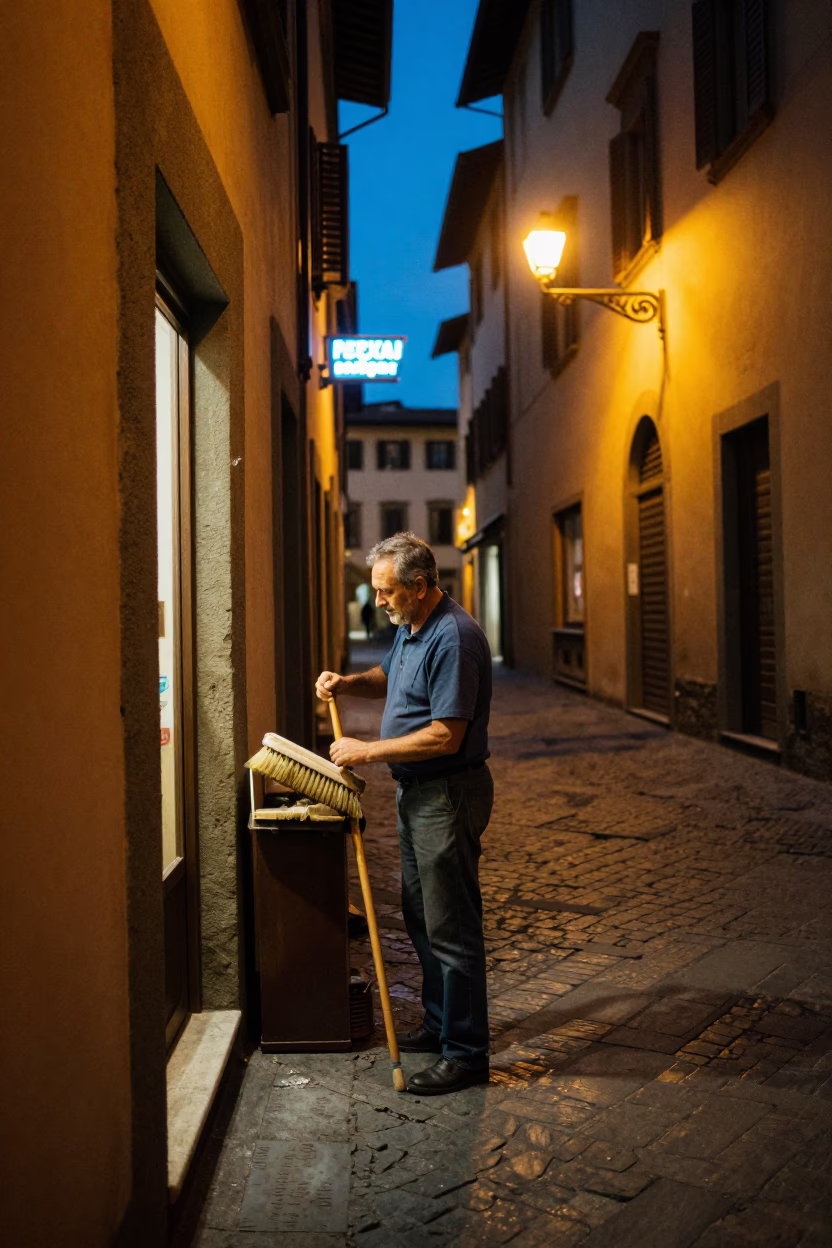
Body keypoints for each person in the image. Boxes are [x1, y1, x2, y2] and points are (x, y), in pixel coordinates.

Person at [316, 532, 493, 1095]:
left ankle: (466, 1054)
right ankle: (442, 1027)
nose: (379, 602)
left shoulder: (455, 639)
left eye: (387, 592)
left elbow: (446, 734)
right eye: (376, 592)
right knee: (422, 918)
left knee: (452, 929)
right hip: (417, 794)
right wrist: (347, 684)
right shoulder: (412, 629)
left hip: (447, 793)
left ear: (419, 587)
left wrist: (366, 750)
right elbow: (389, 679)